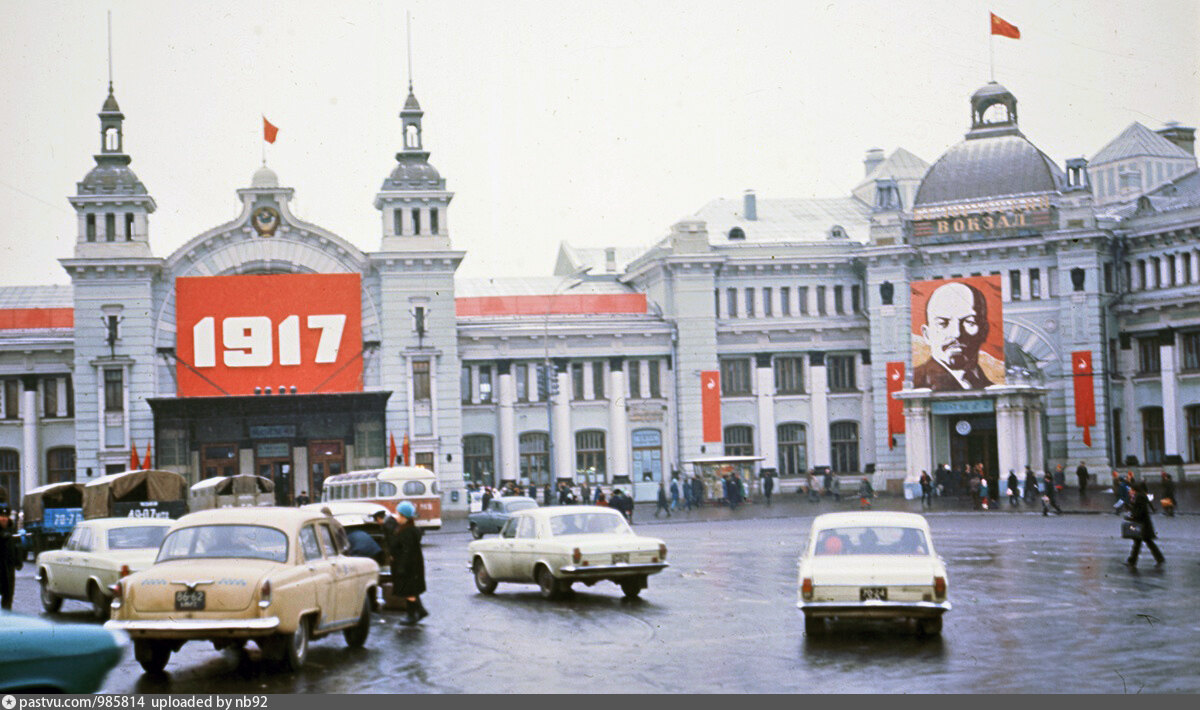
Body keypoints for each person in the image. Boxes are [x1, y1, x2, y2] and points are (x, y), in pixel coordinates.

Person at [912, 281, 994, 390]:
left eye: (969, 322)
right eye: (943, 323)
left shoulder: (990, 386)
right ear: (927, 334)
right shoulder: (916, 383)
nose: (956, 333)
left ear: (984, 330)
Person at [392, 501, 427, 625]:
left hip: (408, 567)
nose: (396, 516)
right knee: (410, 591)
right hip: (412, 567)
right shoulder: (409, 529)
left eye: (398, 514)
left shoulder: (407, 531)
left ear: (404, 516)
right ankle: (420, 611)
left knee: (408, 591)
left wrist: (401, 567)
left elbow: (407, 551)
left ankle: (411, 615)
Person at [1125, 481, 1164, 568]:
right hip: (1144, 524)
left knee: (1139, 543)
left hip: (1142, 524)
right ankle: (1159, 558)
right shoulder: (1140, 496)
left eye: (1131, 489)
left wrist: (1132, 517)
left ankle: (1132, 561)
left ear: (1135, 489)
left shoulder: (1139, 497)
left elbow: (1140, 511)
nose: (1130, 490)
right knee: (1146, 542)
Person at [0, 504, 23, 610]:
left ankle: (6, 616)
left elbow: (17, 546)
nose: (4, 519)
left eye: (6, 516)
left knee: (8, 593)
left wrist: (18, 562)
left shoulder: (12, 530)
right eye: (1, 516)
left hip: (8, 568)